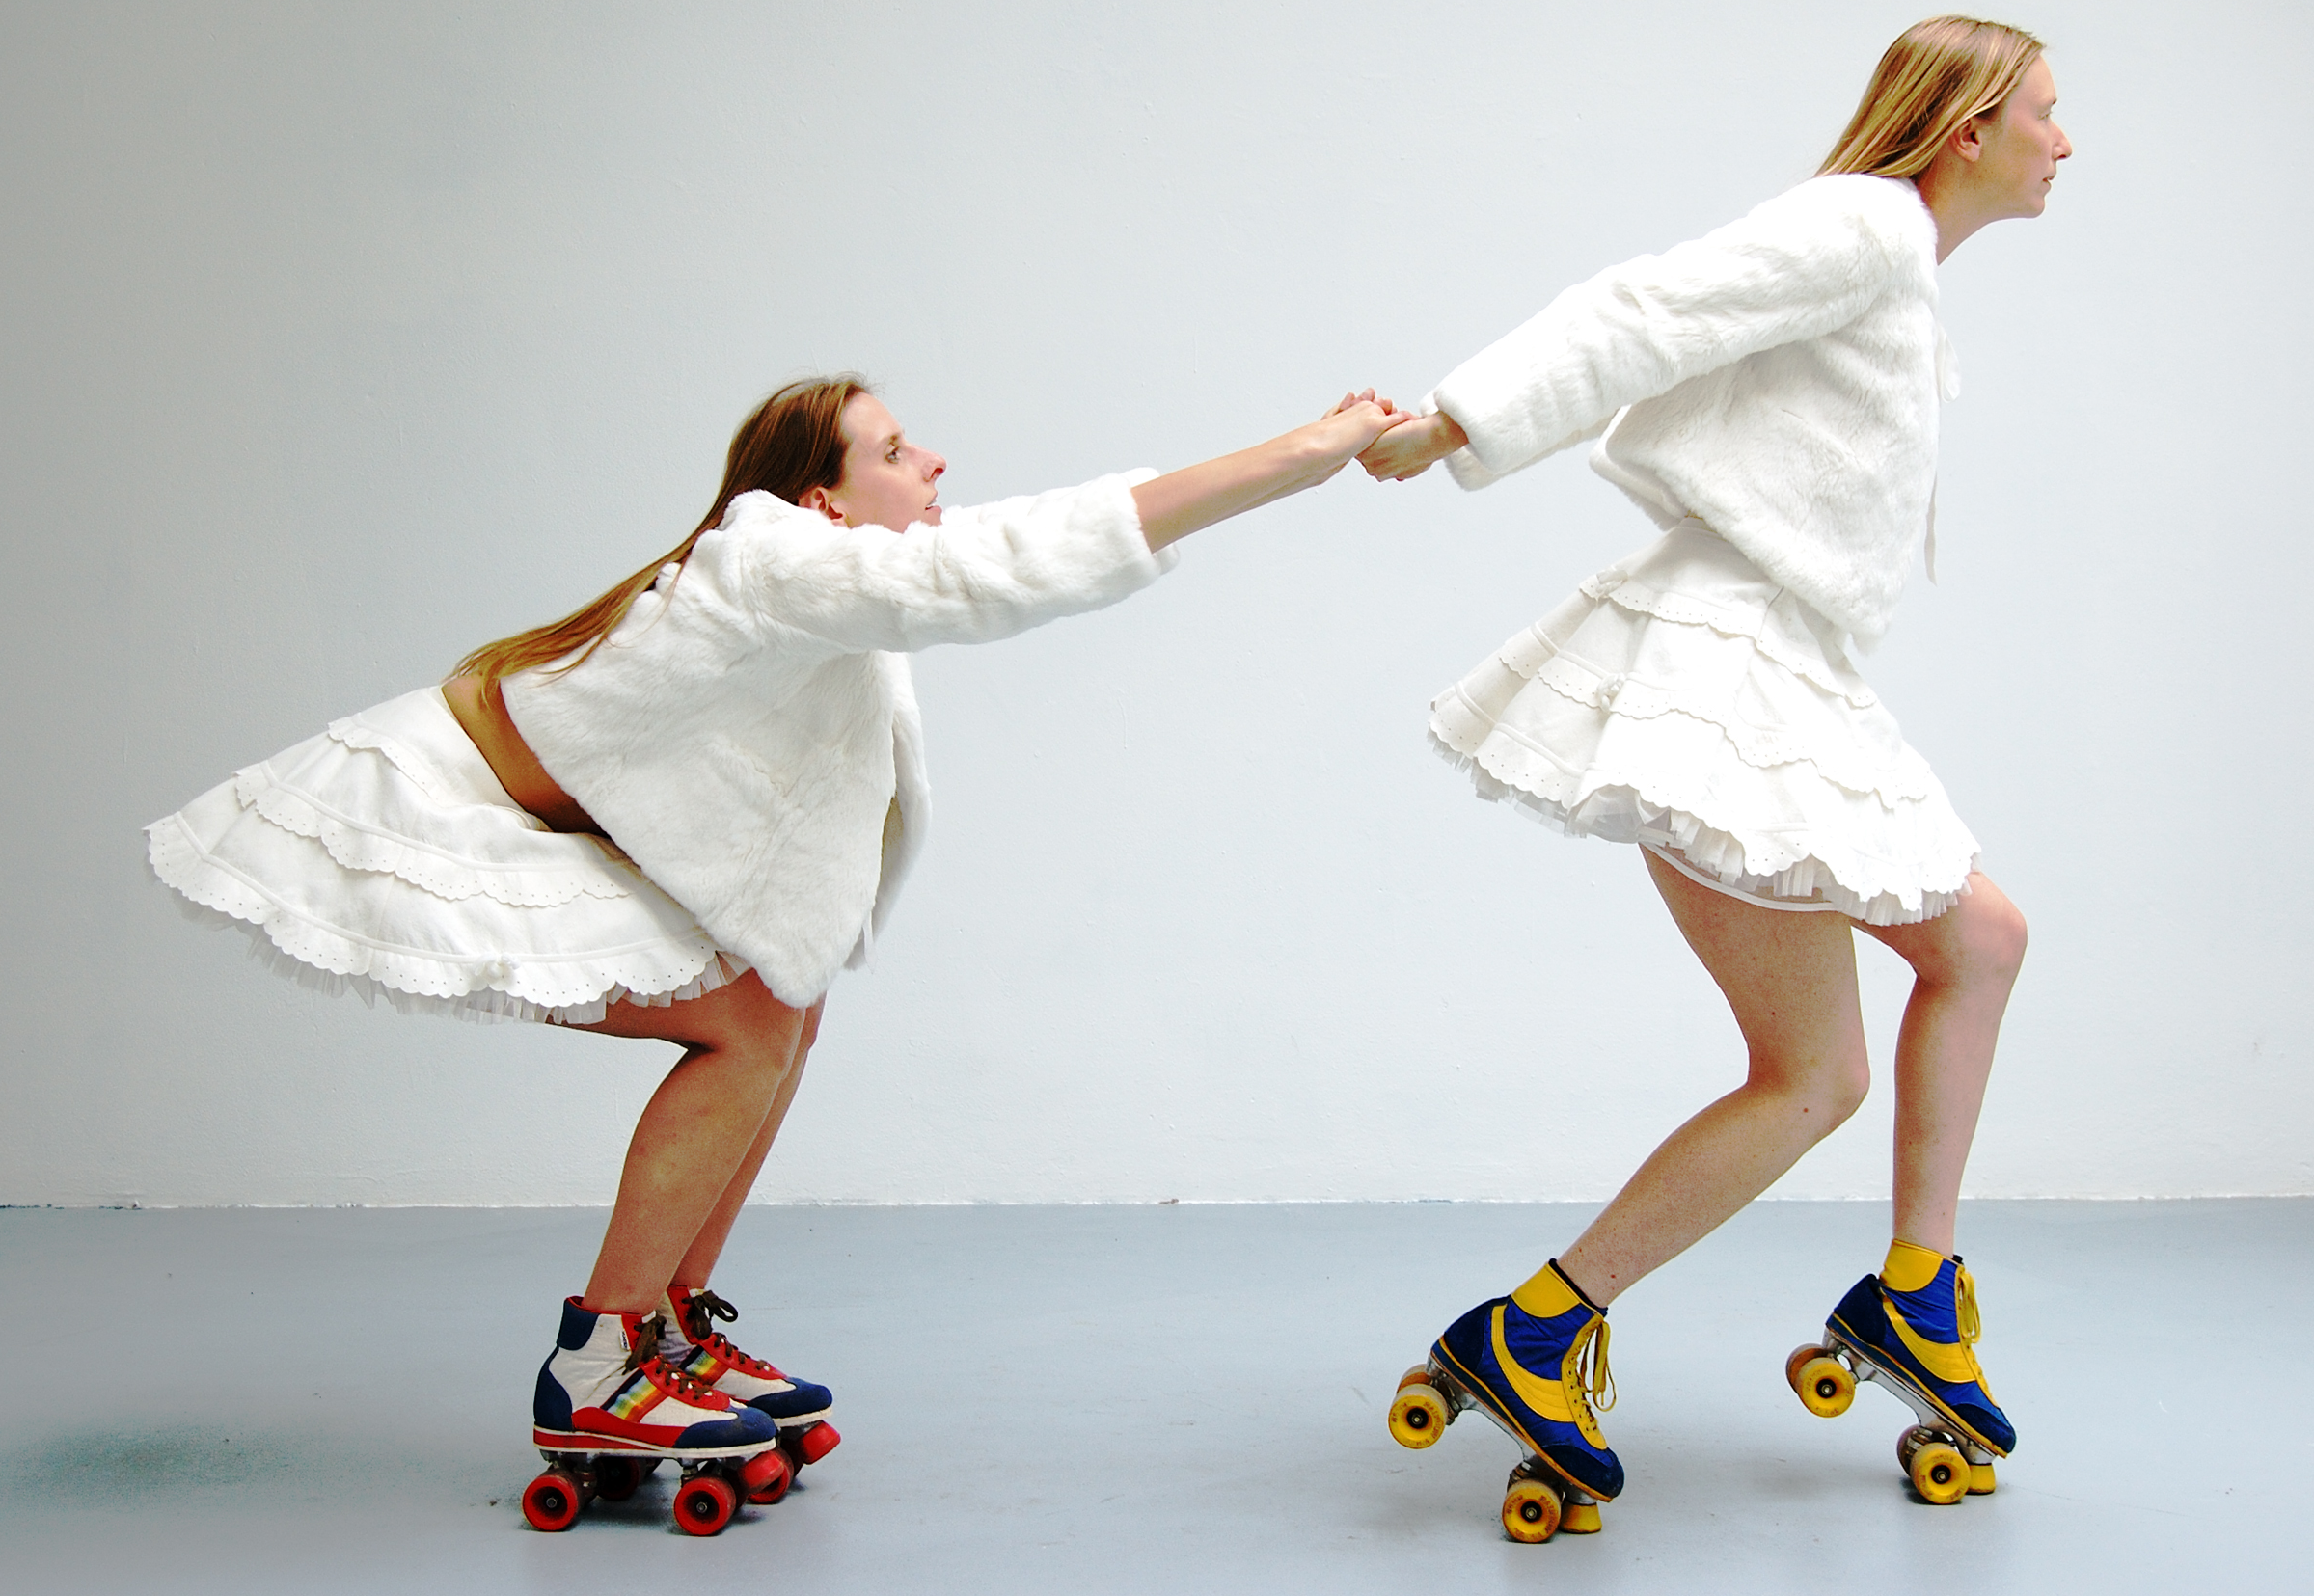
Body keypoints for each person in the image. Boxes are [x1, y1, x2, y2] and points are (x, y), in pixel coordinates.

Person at [146, 377, 1407, 1526]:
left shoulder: (818, 577)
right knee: (751, 1022)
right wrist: (1305, 451)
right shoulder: (776, 557)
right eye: (895, 449)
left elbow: (993, 560)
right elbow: (1006, 564)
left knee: (782, 1005)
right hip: (434, 805)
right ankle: (600, 1362)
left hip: (532, 808)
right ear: (820, 498)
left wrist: (1298, 458)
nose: (933, 461)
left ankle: (666, 1334)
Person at [1362, 16, 2069, 1528]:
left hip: (1777, 665)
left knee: (1958, 963)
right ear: (1966, 129)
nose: (2062, 143)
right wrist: (1463, 419)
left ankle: (1907, 1289)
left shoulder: (1896, 264)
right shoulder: (1864, 225)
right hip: (1720, 670)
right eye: (2044, 114)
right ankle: (1544, 1328)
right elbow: (1649, 305)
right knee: (1829, 1061)